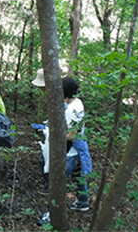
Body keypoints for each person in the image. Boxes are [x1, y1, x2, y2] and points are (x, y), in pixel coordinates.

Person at [36, 76, 92, 226]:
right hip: (76, 150)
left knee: (57, 183)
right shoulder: (77, 103)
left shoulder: (71, 109)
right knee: (78, 175)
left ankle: (52, 213)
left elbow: (71, 135)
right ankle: (82, 201)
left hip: (69, 152)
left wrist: (52, 134)